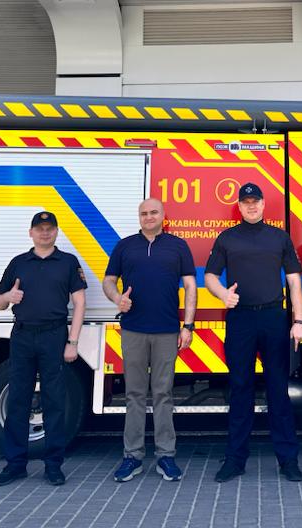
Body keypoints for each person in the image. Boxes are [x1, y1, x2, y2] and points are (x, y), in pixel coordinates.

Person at [204, 182, 302, 483]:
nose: (251, 206)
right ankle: (235, 460)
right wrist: (222, 294)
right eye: (245, 202)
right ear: (239, 206)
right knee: (240, 389)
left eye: (255, 201)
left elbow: (294, 281)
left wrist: (299, 320)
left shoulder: (279, 237)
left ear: (262, 205)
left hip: (274, 318)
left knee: (278, 390)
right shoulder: (227, 238)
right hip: (240, 320)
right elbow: (210, 276)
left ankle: (288, 460)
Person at [103, 198, 198, 483]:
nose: (148, 217)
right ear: (139, 217)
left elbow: (190, 286)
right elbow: (108, 280)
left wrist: (188, 325)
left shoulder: (178, 246)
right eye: (143, 213)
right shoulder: (125, 246)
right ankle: (132, 456)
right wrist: (117, 298)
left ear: (163, 215)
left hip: (167, 331)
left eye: (153, 212)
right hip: (133, 330)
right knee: (134, 394)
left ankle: (165, 456)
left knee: (163, 394)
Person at [0, 211, 87, 487]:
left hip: (54, 335)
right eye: (40, 228)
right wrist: (8, 296)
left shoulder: (68, 262)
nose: (45, 232)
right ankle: (15, 465)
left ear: (56, 232)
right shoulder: (18, 263)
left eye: (49, 228)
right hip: (22, 336)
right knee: (18, 400)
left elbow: (80, 303)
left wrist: (73, 342)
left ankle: (53, 465)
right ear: (31, 233)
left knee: (54, 401)